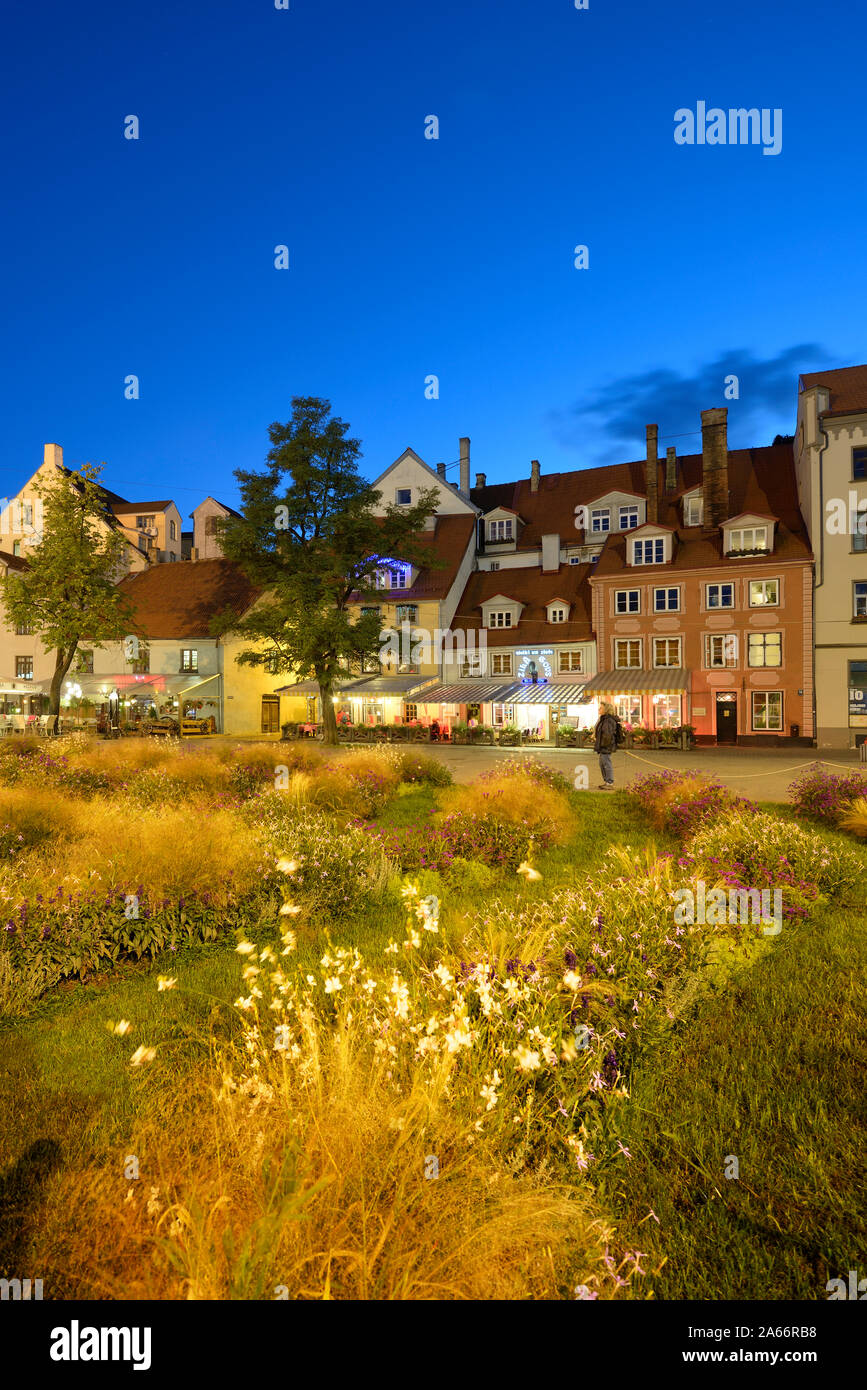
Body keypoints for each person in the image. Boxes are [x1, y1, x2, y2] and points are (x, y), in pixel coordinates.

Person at [594, 701, 624, 789]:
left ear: (606, 710)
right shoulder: (604, 719)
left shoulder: (608, 720)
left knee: (606, 763)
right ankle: (607, 781)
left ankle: (609, 782)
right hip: (604, 744)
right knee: (602, 763)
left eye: (601, 708)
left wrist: (603, 745)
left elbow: (607, 734)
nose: (599, 709)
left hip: (606, 745)